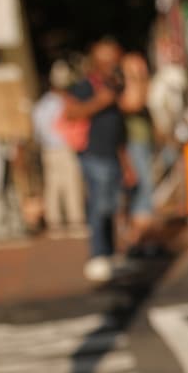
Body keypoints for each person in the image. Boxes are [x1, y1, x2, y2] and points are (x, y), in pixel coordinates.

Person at [64, 38, 134, 283]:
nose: (113, 66)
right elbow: (70, 112)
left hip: (112, 154)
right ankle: (97, 254)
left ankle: (110, 253)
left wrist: (125, 160)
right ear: (97, 63)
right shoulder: (85, 86)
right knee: (100, 205)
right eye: (108, 61)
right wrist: (99, 102)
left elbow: (119, 128)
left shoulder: (113, 87)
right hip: (93, 154)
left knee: (112, 205)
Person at [32, 61, 85, 236]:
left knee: (52, 186)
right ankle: (75, 221)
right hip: (64, 147)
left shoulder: (41, 105)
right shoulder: (64, 103)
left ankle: (54, 223)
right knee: (71, 184)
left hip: (48, 149)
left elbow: (37, 131)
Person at [119, 51, 158, 255]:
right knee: (142, 190)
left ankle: (142, 240)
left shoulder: (140, 85)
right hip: (134, 145)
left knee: (146, 189)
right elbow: (135, 103)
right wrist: (138, 80)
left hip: (144, 143)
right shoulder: (125, 88)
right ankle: (137, 240)